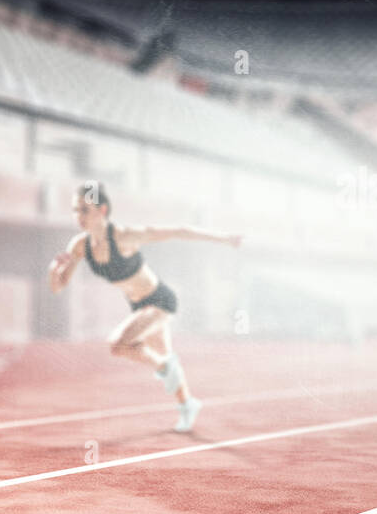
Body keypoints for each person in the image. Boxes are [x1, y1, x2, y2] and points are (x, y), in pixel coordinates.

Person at [48, 181, 241, 432]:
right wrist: (54, 271)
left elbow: (178, 231)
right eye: (76, 210)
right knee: (165, 356)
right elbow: (58, 286)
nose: (78, 217)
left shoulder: (125, 236)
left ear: (102, 211)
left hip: (160, 301)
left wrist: (225, 239)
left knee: (118, 344)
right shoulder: (79, 246)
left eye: (85, 210)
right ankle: (187, 405)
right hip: (140, 307)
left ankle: (163, 368)